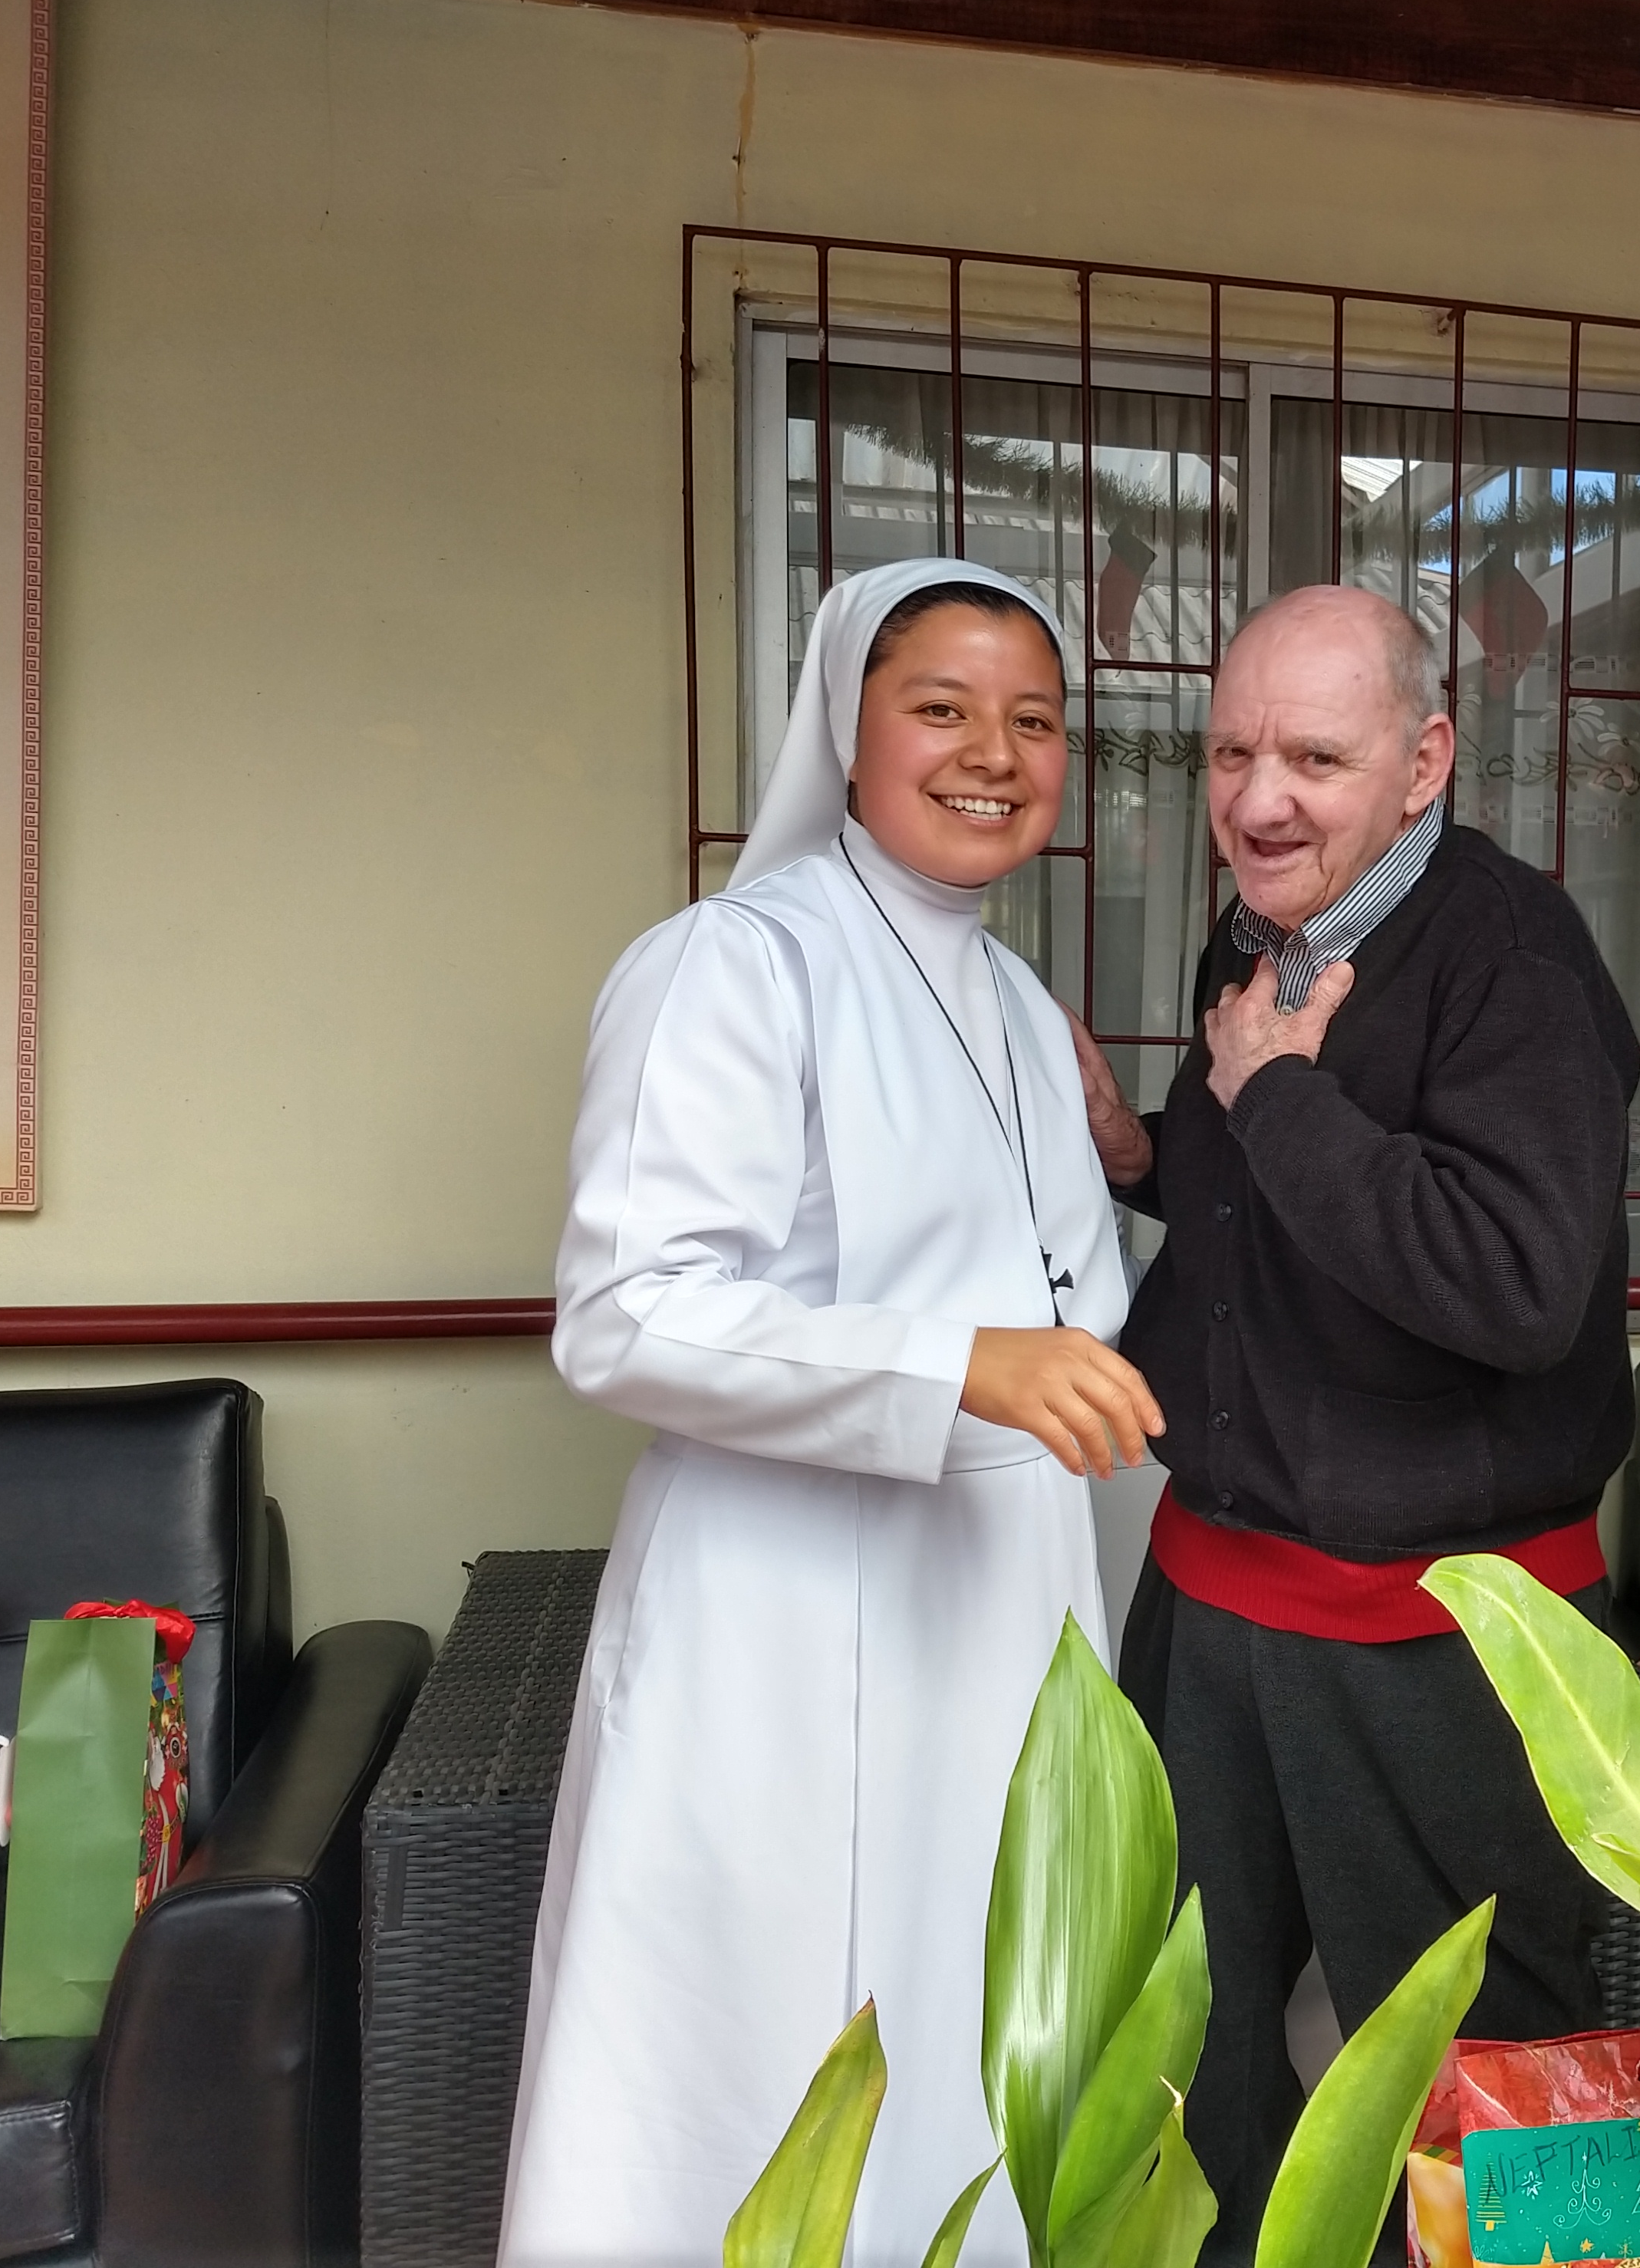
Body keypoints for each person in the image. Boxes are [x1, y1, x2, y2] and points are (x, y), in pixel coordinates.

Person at [502, 560, 1166, 2267]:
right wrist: (961, 1363)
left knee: (974, 2024)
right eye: (939, 708)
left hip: (1003, 1602)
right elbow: (629, 1312)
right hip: (783, 1624)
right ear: (846, 731)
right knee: (774, 2050)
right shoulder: (730, 965)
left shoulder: (1020, 1007)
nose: (992, 753)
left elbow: (1066, 1292)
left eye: (1034, 720)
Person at [1066, 583, 1640, 2263]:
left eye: (1316, 755)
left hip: (1443, 1634)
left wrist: (1276, 1095)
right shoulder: (1264, 934)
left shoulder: (1514, 956)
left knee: (1506, 2066)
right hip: (1212, 1600)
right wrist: (1152, 1159)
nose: (1259, 799)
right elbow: (1281, 1226)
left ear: (1424, 759)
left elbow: (1518, 1283)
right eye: (1234, 750)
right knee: (1185, 2051)